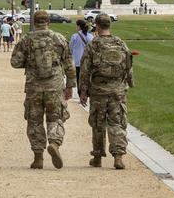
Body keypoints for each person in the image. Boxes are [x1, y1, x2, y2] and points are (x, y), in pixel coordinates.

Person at [11, 10, 75, 169]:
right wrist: (70, 85)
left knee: (34, 121)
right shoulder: (59, 39)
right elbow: (69, 64)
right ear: (48, 22)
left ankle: (38, 157)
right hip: (54, 84)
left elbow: (15, 62)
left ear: (34, 22)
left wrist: (29, 62)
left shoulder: (27, 40)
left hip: (34, 86)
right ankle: (54, 142)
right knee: (56, 117)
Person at [78, 13, 133, 170]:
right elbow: (128, 65)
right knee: (117, 123)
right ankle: (118, 156)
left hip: (98, 91)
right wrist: (128, 82)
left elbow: (85, 70)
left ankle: (97, 156)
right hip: (117, 90)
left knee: (98, 124)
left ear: (97, 25)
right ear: (109, 25)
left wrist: (83, 91)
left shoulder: (93, 44)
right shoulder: (120, 43)